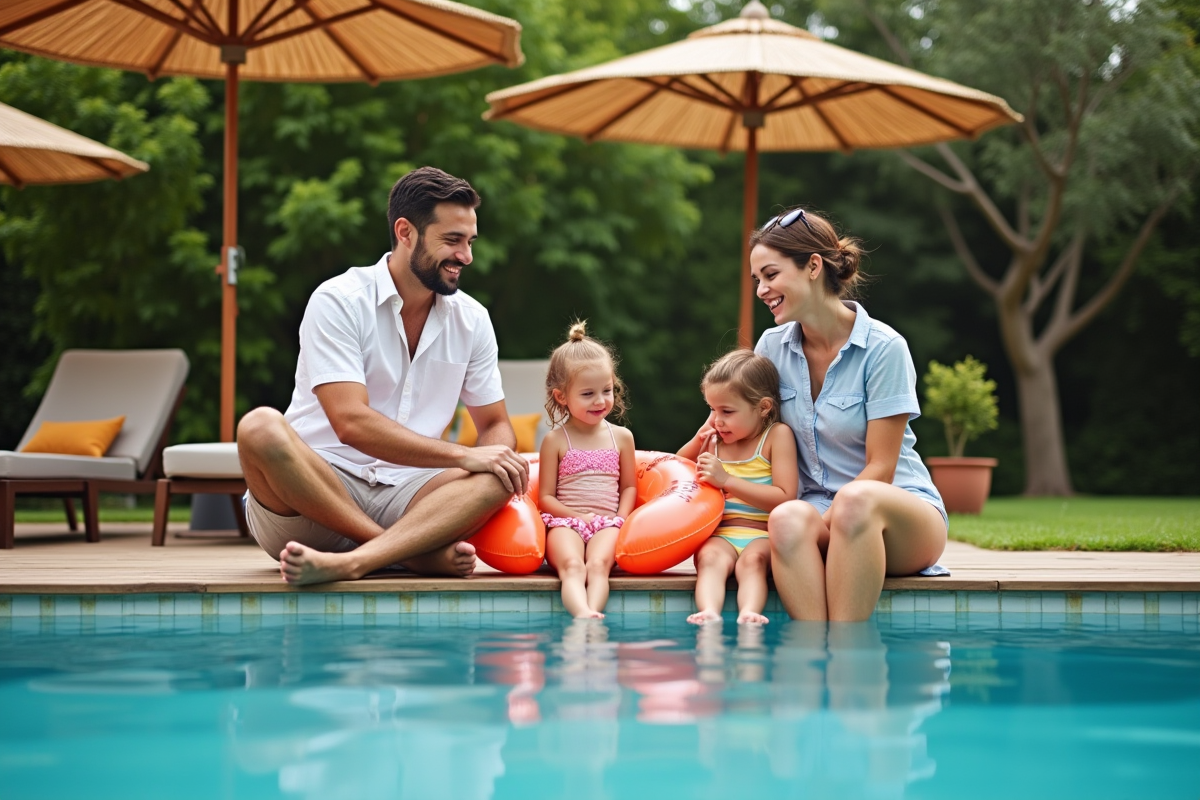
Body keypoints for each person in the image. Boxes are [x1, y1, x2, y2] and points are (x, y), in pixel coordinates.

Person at [236, 166, 529, 585]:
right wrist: (461, 454)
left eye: (469, 242)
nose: (466, 256)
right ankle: (402, 556)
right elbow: (350, 422)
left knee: (501, 476)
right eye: (452, 240)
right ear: (406, 232)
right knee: (259, 427)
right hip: (312, 500)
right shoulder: (338, 300)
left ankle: (361, 560)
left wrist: (492, 456)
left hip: (412, 501)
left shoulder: (473, 319)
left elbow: (496, 424)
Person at [743, 205, 947, 621]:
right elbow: (740, 431)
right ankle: (813, 657)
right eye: (757, 280)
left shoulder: (884, 348)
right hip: (817, 510)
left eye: (771, 275)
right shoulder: (770, 347)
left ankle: (850, 662)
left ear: (813, 266)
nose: (761, 290)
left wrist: (823, 529)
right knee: (785, 518)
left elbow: (882, 468)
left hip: (898, 515)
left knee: (855, 500)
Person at [678, 350, 799, 625]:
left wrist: (727, 481)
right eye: (711, 409)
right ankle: (708, 610)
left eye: (727, 411)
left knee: (752, 562)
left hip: (762, 536)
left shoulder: (776, 437)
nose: (717, 420)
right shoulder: (714, 440)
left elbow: (784, 497)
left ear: (763, 407)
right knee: (708, 558)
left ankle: (749, 612)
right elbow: (676, 470)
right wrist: (699, 437)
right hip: (723, 534)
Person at [538, 322, 637, 619]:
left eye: (606, 390)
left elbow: (629, 486)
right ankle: (580, 612)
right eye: (588, 394)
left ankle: (593, 613)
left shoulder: (621, 438)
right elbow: (545, 498)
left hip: (607, 524)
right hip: (566, 523)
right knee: (572, 566)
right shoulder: (555, 440)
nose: (600, 401)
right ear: (561, 397)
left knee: (597, 566)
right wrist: (578, 518)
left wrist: (620, 518)